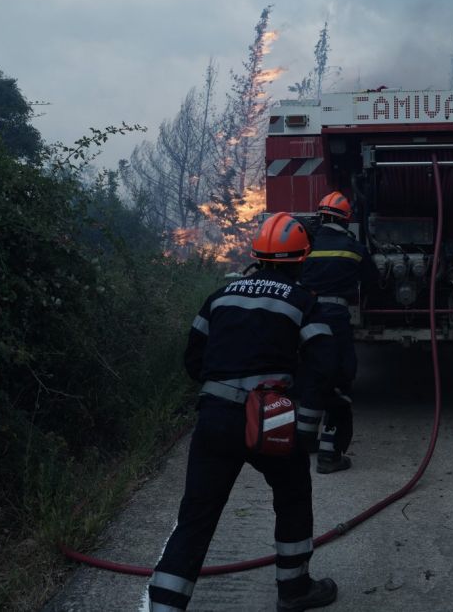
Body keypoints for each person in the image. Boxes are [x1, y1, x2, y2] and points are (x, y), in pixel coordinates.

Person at [148, 212, 339, 612]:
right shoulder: (303, 301)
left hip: (215, 418)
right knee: (292, 496)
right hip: (270, 419)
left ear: (257, 255)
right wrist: (306, 430)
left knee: (197, 515)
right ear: (301, 260)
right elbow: (325, 366)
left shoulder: (220, 296)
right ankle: (294, 589)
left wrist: (222, 387)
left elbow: (193, 358)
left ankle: (165, 606)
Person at [300, 192, 377, 474]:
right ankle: (330, 456)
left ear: (320, 216)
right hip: (335, 319)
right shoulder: (354, 248)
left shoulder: (305, 246)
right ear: (347, 219)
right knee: (340, 381)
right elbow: (372, 282)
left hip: (307, 318)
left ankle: (304, 440)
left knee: (312, 377)